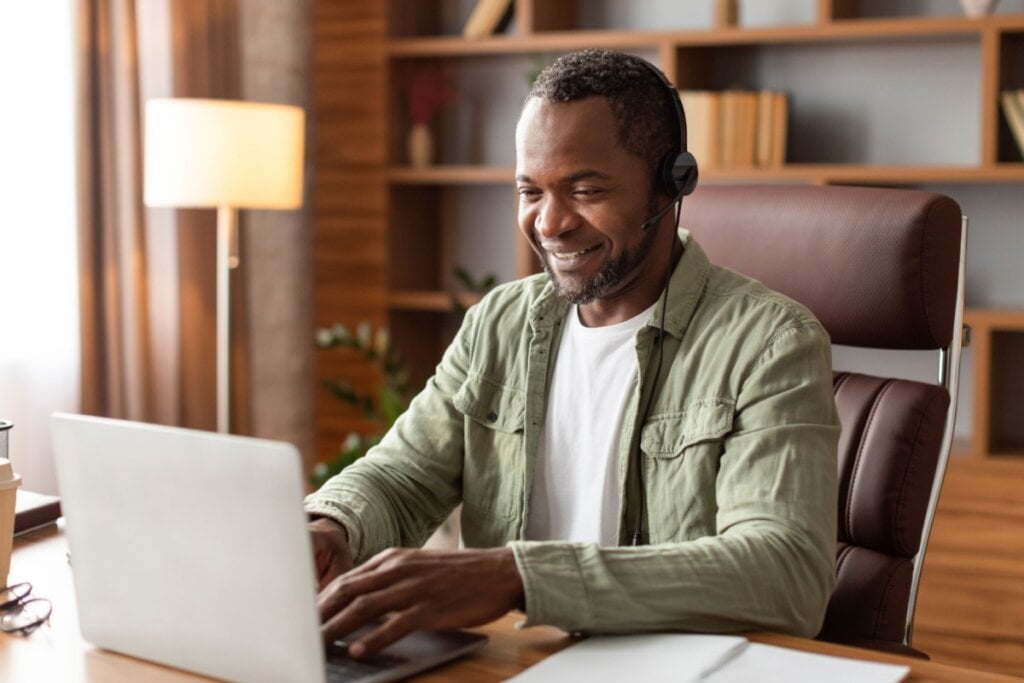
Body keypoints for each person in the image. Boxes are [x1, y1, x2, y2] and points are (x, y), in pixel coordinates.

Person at [305, 49, 840, 659]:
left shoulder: (770, 342)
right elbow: (403, 478)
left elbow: (785, 572)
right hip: (515, 662)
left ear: (673, 182)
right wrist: (332, 526)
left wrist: (519, 577)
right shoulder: (499, 322)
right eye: (530, 191)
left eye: (585, 189)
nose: (549, 223)